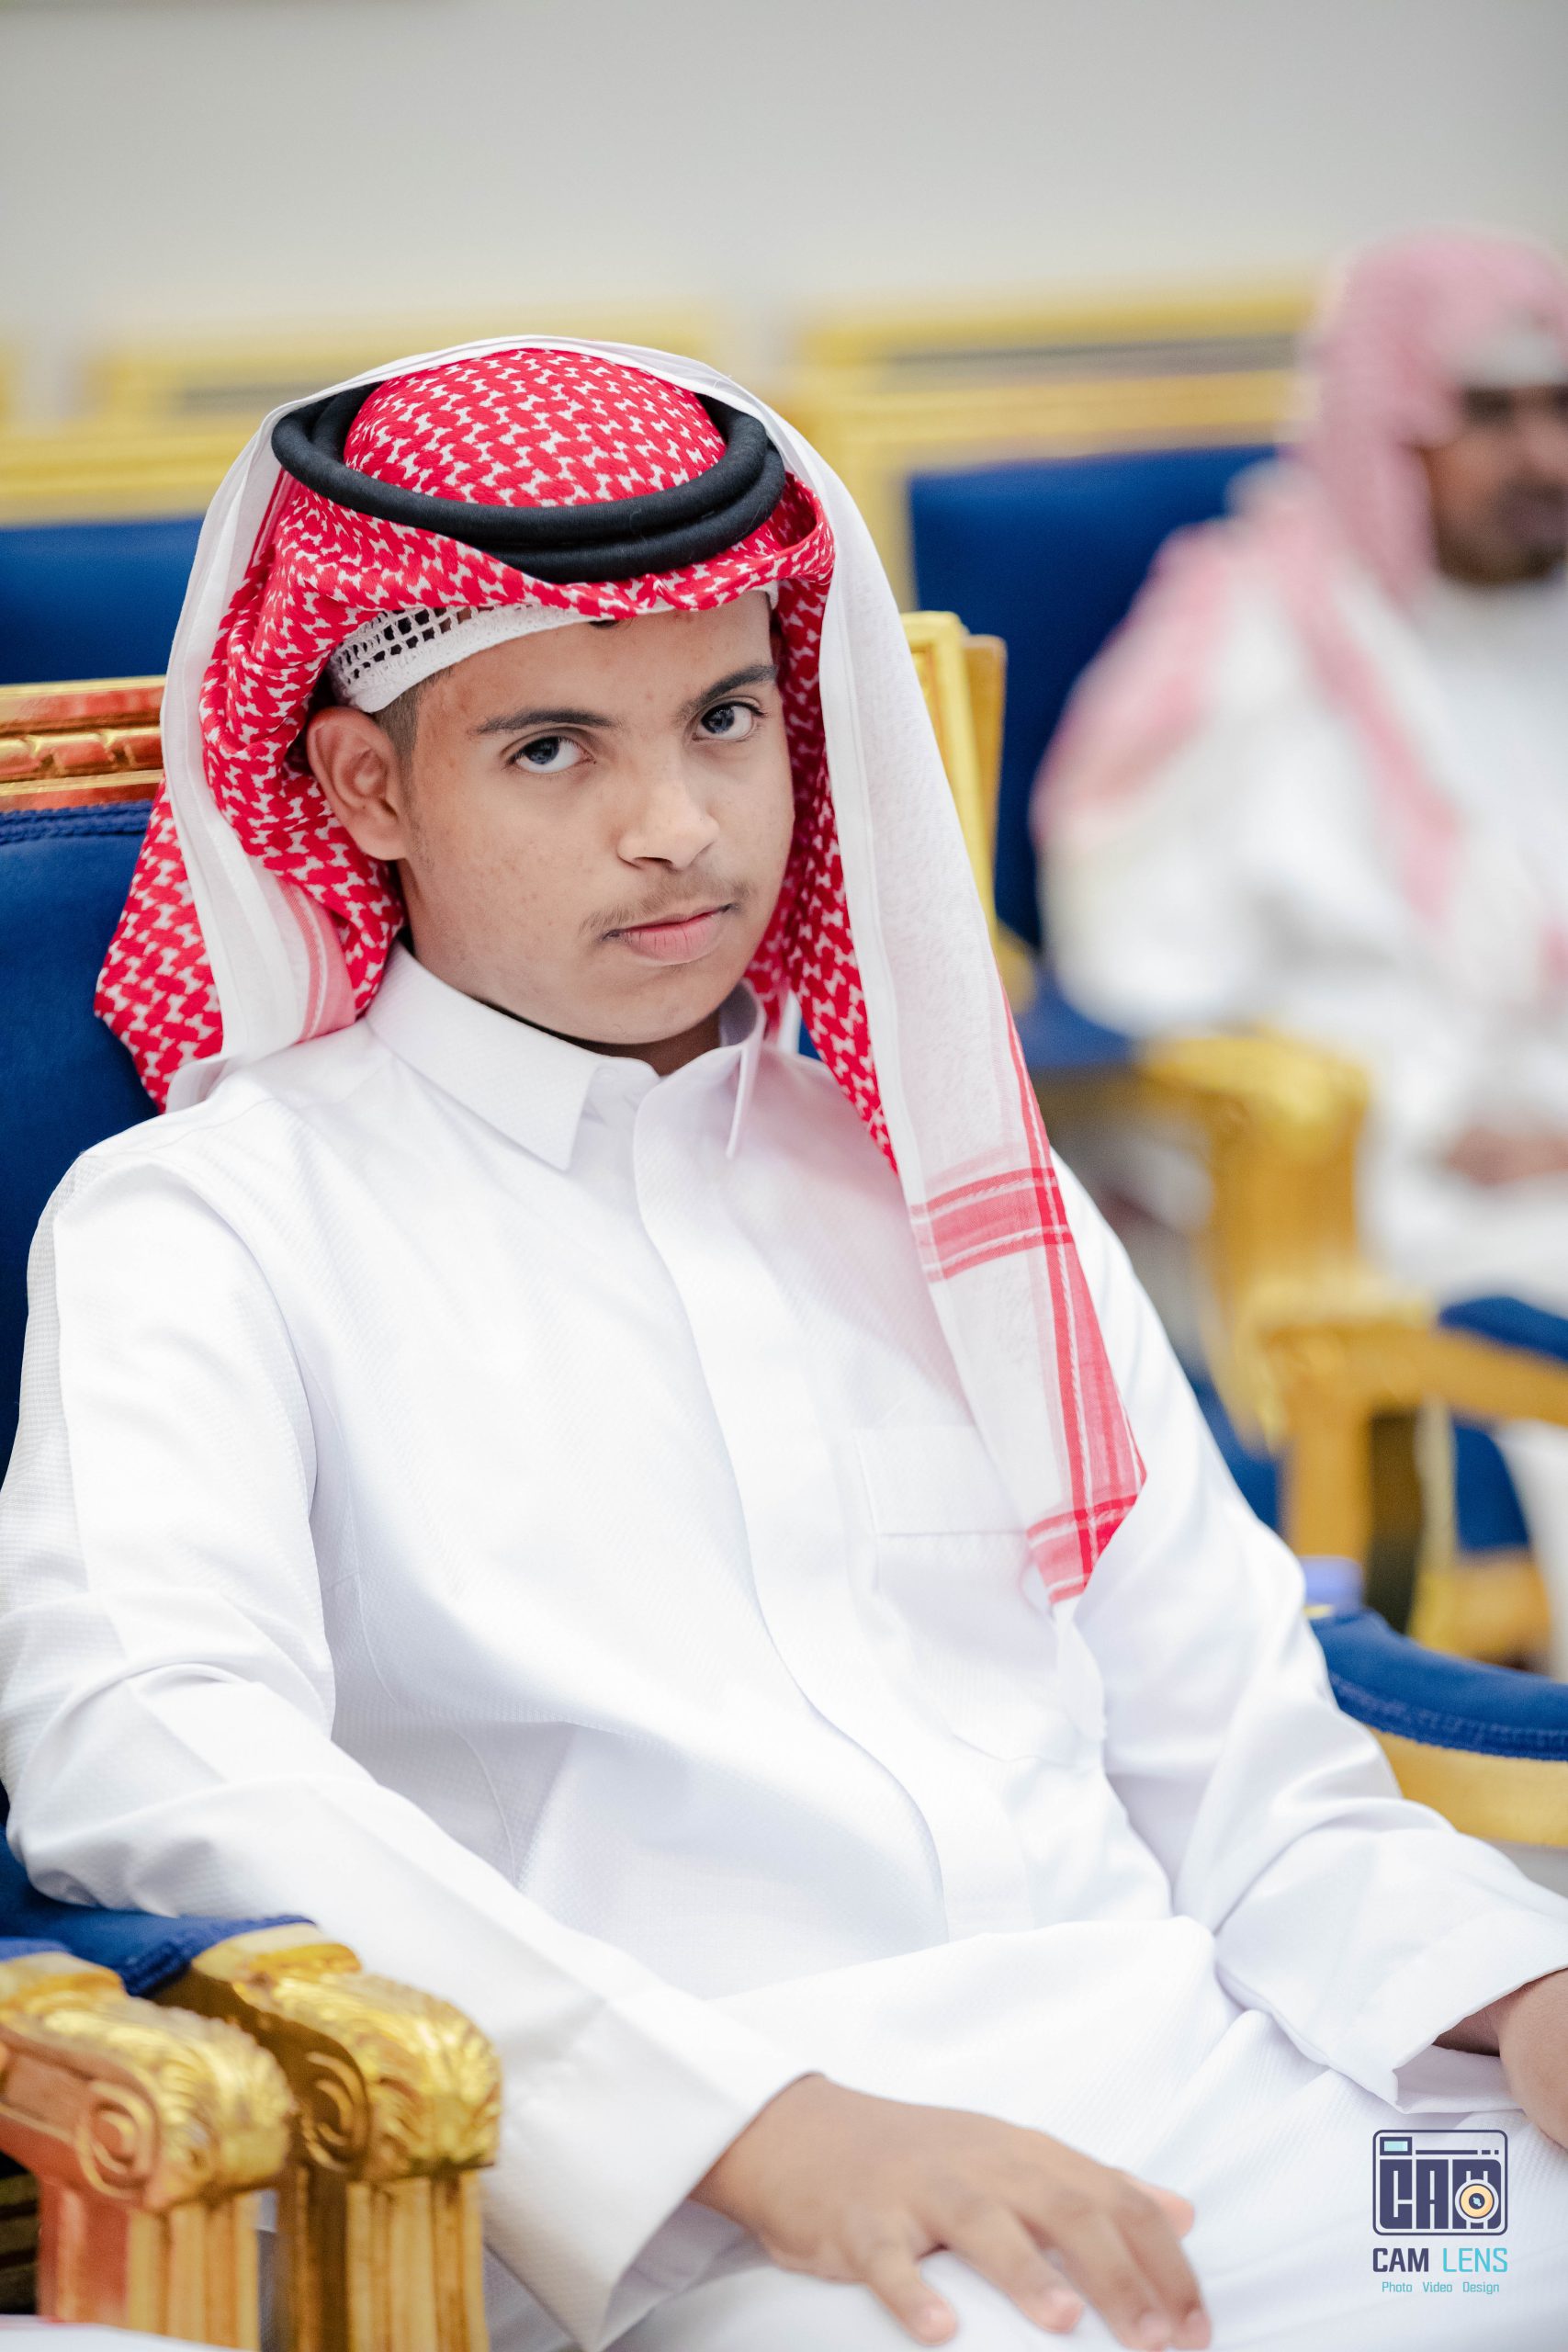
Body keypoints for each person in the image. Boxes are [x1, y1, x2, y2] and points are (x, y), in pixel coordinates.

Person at [3, 342, 1568, 2352]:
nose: (676, 826)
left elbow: (1249, 1769)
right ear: (366, 789)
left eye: (725, 719)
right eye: (553, 749)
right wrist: (749, 2127)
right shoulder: (213, 1220)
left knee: (1507, 2247)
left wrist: (1517, 1988)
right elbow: (149, 1744)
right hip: (707, 2222)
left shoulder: (948, 1188)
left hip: (1221, 2132)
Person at [1036, 231, 1568, 1663]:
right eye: (1490, 413)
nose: (1542, 457)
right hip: (1390, 1179)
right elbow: (1139, 971)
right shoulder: (1250, 635)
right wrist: (1441, 1117)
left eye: (1561, 408)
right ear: (1390, 420)